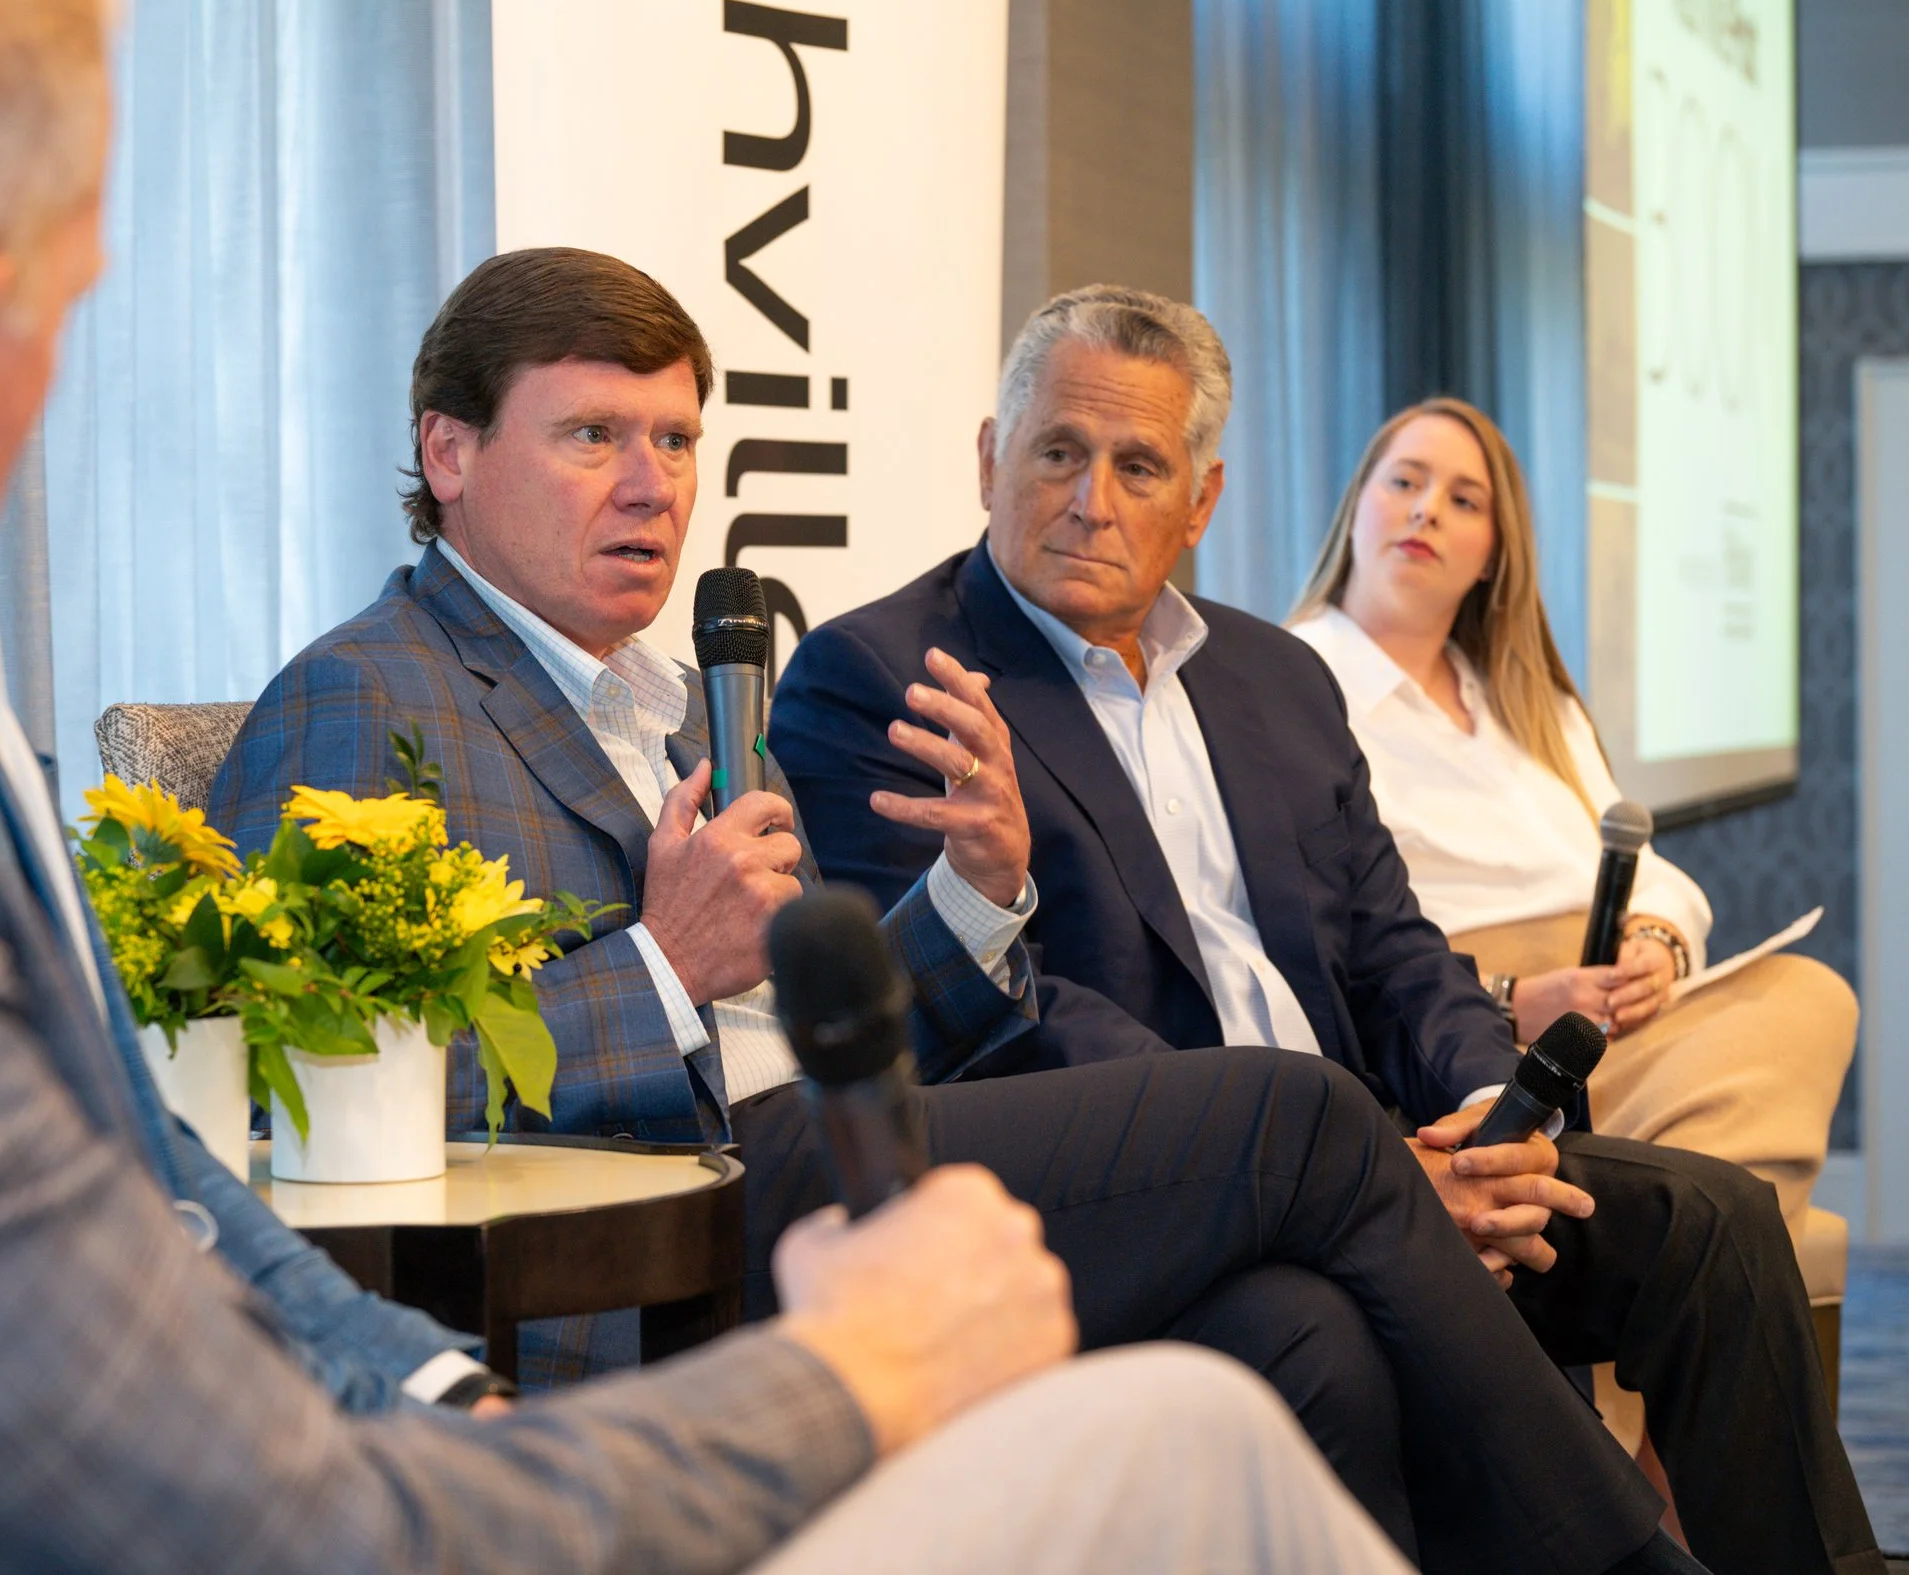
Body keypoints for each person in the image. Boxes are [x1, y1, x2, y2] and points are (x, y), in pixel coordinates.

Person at [0, 0, 1426, 1571]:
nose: (649, 484)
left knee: (1238, 1389)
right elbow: (296, 1486)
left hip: (460, 1386)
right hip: (560, 1402)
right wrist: (859, 1372)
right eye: (70, 308)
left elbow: (160, 1166)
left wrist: (411, 1372)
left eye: (675, 439)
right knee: (1218, 1385)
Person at [215, 247, 1709, 1575]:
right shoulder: (368, 696)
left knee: (1296, 1337)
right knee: (1309, 1122)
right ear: (450, 449)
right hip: (692, 1220)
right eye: (593, 434)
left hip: (837, 1144)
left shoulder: (661, 705)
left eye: (675, 437)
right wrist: (662, 967)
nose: (653, 483)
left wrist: (975, 899)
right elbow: (307, 1103)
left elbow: (809, 1013)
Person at [767, 284, 1885, 1575]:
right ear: (988, 457)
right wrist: (1376, 1165)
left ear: (1204, 499)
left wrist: (1487, 1118)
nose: (1091, 500)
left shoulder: (1275, 677)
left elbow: (1395, 946)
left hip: (1404, 1147)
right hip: (1183, 1194)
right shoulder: (887, 674)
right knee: (1327, 1334)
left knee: (1717, 1221)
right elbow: (1001, 1022)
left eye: (1139, 466)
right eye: (1058, 452)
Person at [1283, 395, 1860, 1465]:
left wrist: (1656, 942)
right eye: (1403, 480)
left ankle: (1630, 1456)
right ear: (1355, 506)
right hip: (1469, 1021)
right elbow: (1336, 937)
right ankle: (1655, 1461)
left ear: (1493, 550)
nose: (1426, 511)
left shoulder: (1527, 695)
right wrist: (1510, 996)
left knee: (1809, 995)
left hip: (1611, 1008)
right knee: (1763, 1092)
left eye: (1464, 498)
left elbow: (1655, 865)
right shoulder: (1289, 681)